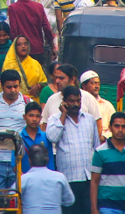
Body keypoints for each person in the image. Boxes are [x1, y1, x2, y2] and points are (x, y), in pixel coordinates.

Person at [46, 85, 98, 214]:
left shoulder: (89, 119)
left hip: (88, 177)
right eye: (71, 101)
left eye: (78, 101)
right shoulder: (55, 119)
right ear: (64, 101)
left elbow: (96, 146)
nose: (76, 104)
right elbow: (52, 137)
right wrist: (63, 115)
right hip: (68, 178)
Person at [91, 112, 125, 214]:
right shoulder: (100, 152)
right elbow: (94, 181)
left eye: (123, 126)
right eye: (116, 126)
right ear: (110, 128)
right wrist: (94, 209)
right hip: (107, 206)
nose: (120, 130)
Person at [41, 64, 102, 132]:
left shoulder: (88, 98)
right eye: (56, 78)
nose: (57, 81)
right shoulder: (51, 99)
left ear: (72, 79)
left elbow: (98, 125)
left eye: (61, 78)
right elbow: (44, 125)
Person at [9, 0, 55, 66]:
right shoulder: (38, 6)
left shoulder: (13, 8)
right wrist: (52, 46)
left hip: (21, 49)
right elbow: (46, 28)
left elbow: (14, 29)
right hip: (37, 48)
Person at [21, 144, 74, 214]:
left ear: (29, 161)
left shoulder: (24, 179)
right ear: (47, 160)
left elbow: (11, 198)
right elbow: (69, 201)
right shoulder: (60, 177)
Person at [2, 35, 48, 103]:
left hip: (34, 102)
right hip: (14, 102)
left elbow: (45, 83)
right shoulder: (9, 65)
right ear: (14, 47)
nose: (23, 46)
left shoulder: (35, 63)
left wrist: (38, 86)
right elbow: (3, 85)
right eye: (19, 44)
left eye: (25, 44)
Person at [80, 71, 116, 137]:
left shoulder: (107, 105)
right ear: (84, 86)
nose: (97, 86)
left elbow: (115, 125)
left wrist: (104, 137)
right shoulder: (79, 104)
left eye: (98, 84)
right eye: (93, 83)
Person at [20, 101, 54, 172]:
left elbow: (50, 161)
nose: (34, 119)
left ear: (41, 118)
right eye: (31, 115)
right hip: (26, 179)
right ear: (24, 117)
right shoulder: (18, 138)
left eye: (37, 116)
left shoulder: (46, 137)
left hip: (44, 179)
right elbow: (15, 164)